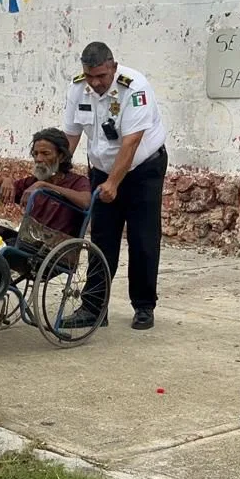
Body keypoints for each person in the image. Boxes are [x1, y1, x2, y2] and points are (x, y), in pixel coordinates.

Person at [60, 42, 168, 330]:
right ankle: (94, 308)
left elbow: (131, 142)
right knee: (102, 239)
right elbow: (70, 136)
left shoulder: (134, 88)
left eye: (101, 76)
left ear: (113, 66)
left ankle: (143, 306)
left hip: (143, 170)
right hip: (102, 169)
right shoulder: (78, 88)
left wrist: (114, 183)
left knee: (143, 237)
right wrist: (59, 174)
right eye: (90, 76)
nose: (95, 83)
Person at [0, 127, 92, 240]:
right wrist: (5, 180)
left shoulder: (77, 181)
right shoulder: (32, 182)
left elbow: (86, 202)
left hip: (59, 245)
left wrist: (45, 186)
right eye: (36, 154)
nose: (38, 159)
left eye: (45, 153)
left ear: (61, 157)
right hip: (30, 241)